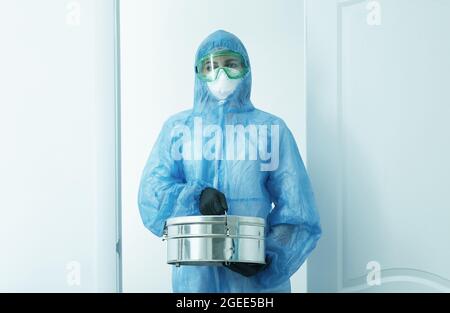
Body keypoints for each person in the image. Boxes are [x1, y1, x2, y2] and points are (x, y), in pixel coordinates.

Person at [138, 30, 321, 292]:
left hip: (254, 285)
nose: (221, 75)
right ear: (197, 73)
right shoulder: (178, 129)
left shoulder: (271, 129)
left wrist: (269, 257)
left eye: (231, 65)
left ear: (246, 69)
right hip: (195, 279)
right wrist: (194, 197)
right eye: (210, 66)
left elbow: (299, 209)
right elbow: (151, 194)